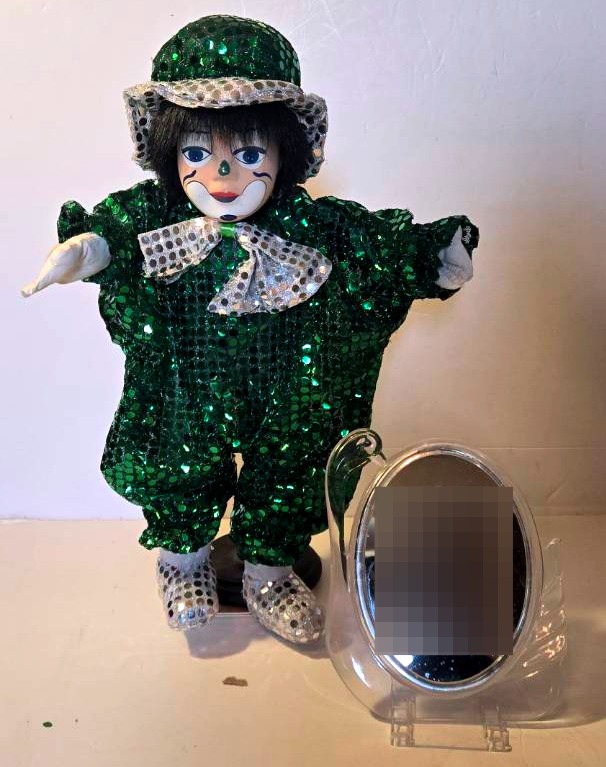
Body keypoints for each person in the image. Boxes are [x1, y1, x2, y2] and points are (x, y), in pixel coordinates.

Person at [21, 14, 478, 645]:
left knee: (292, 463)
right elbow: (116, 230)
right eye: (197, 154)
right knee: (176, 458)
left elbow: (371, 244)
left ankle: (269, 574)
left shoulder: (310, 225)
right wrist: (90, 248)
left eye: (250, 154)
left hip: (290, 386)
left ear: (286, 151)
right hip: (186, 382)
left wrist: (431, 255)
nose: (222, 177)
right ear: (169, 153)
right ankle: (183, 562)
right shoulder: (158, 218)